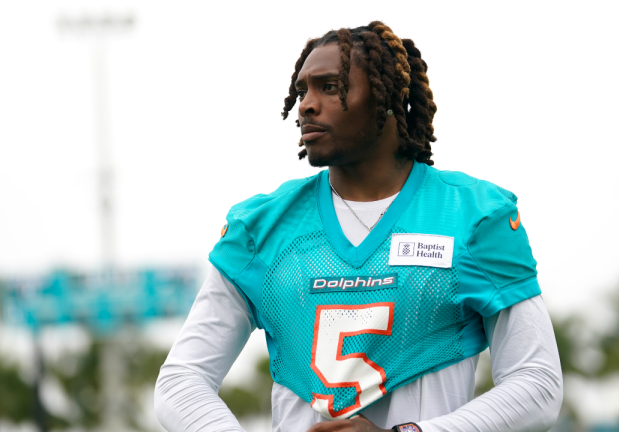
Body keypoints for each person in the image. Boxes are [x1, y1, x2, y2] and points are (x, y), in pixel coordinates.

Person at [155, 22, 563, 432]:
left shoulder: (472, 215)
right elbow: (181, 381)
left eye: (329, 87)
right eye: (303, 91)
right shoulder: (261, 227)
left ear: (388, 99)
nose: (307, 106)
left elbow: (538, 383)